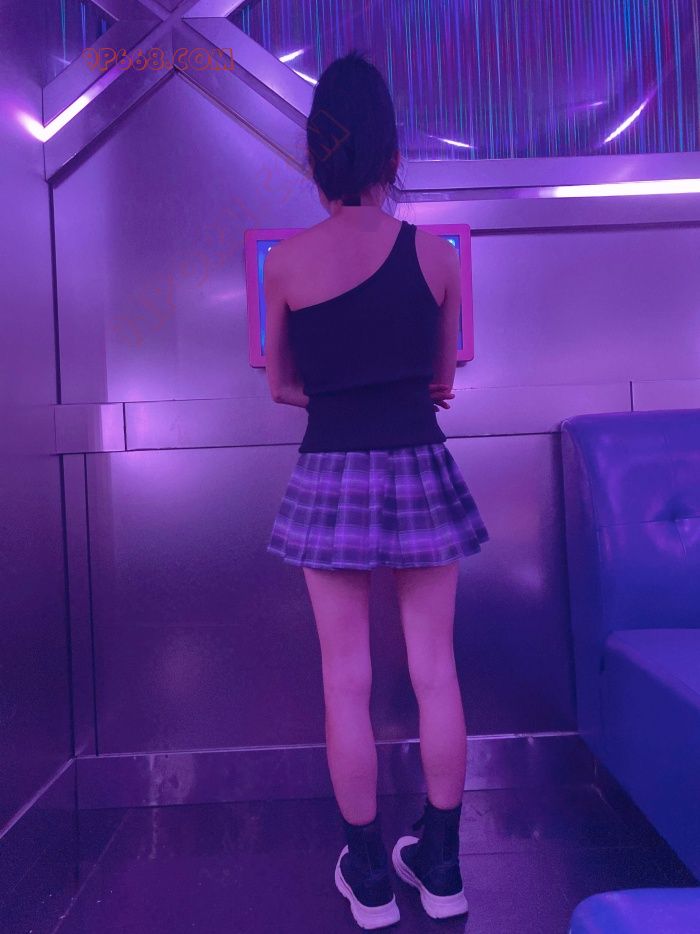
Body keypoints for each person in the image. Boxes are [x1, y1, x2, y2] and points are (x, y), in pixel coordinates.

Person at [263, 50, 489, 930]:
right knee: (437, 671)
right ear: (392, 155)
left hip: (330, 471)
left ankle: (366, 878)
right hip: (418, 463)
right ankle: (443, 865)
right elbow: (442, 381)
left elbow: (285, 386)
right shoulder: (436, 255)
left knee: (344, 680)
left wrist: (337, 395)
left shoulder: (286, 264)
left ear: (316, 156)